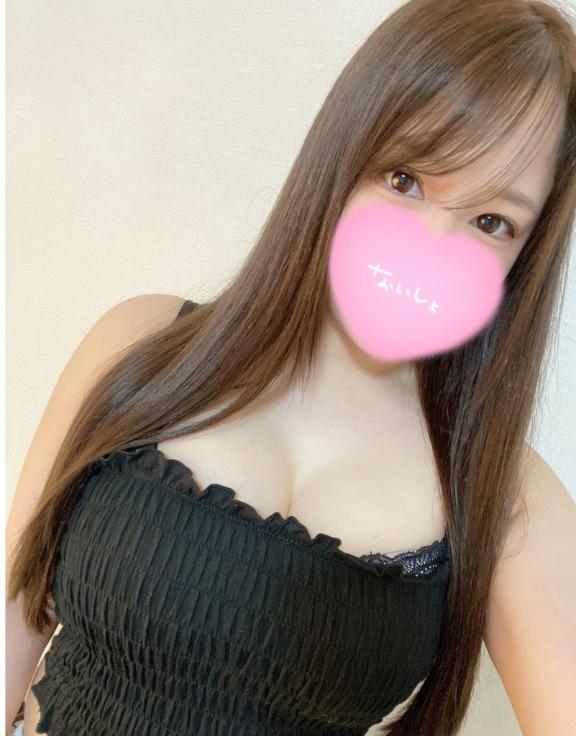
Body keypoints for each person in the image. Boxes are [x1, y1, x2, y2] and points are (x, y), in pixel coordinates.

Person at [6, 0, 576, 734]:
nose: (428, 247)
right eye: (405, 178)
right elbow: (15, 612)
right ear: (345, 154)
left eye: (491, 221)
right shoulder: (141, 343)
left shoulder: (505, 495)